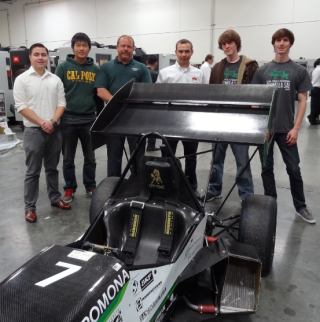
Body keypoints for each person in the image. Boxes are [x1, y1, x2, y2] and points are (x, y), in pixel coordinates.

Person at [251, 28, 315, 224]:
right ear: (273, 43)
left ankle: (300, 206)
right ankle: (271, 202)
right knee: (266, 168)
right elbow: (255, 101)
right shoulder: (262, 71)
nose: (281, 43)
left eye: (285, 40)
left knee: (294, 169)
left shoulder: (299, 71)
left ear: (290, 43)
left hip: (287, 129)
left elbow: (303, 100)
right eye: (278, 40)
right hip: (266, 131)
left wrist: (296, 128)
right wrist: (263, 125)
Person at [13, 43, 71, 223]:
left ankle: (55, 198)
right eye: (36, 54)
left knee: (52, 168)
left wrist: (52, 122)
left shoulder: (55, 80)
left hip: (54, 131)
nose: (40, 58)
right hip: (33, 131)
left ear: (47, 57)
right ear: (29, 57)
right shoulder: (22, 80)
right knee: (33, 171)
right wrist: (42, 123)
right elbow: (21, 106)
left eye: (43, 54)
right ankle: (29, 207)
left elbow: (62, 103)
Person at [202, 29, 257, 202]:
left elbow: (256, 93)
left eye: (230, 42)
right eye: (224, 44)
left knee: (242, 160)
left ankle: (246, 194)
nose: (227, 46)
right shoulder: (218, 67)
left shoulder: (250, 66)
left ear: (236, 44)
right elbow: (211, 93)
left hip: (240, 121)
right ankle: (214, 189)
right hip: (220, 119)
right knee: (216, 159)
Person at [95, 35, 152, 177]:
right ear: (117, 47)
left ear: (133, 49)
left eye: (129, 46)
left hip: (136, 120)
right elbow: (101, 91)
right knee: (114, 157)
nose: (126, 49)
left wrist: (127, 104)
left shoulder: (142, 68)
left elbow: (147, 93)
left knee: (138, 157)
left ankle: (137, 187)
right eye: (123, 46)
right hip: (113, 119)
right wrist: (119, 103)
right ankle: (113, 188)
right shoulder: (106, 67)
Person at [55, 32, 102, 203]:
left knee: (90, 157)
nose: (81, 48)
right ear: (73, 47)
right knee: (68, 158)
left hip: (89, 120)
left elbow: (98, 96)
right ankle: (69, 187)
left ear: (89, 48)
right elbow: (57, 95)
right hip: (68, 120)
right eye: (78, 45)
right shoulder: (63, 68)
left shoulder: (96, 69)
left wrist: (99, 118)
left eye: (84, 45)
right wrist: (58, 118)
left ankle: (90, 186)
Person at [157, 39, 206, 199]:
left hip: (191, 123)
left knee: (191, 157)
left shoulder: (199, 74)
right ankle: (166, 186)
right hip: (169, 123)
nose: (184, 54)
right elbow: (157, 98)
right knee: (167, 156)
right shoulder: (165, 73)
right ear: (176, 52)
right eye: (180, 51)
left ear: (192, 52)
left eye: (187, 51)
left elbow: (205, 98)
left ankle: (191, 189)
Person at [146, 55, 160, 151]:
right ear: (156, 63)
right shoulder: (155, 74)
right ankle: (151, 145)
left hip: (141, 102)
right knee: (152, 125)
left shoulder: (142, 71)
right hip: (152, 102)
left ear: (147, 62)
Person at [307, 58, 320, 125]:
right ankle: (312, 118)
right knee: (317, 106)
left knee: (314, 105)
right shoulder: (319, 69)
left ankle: (312, 118)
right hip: (317, 89)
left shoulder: (315, 70)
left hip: (314, 89)